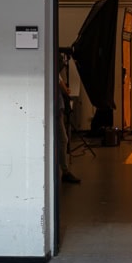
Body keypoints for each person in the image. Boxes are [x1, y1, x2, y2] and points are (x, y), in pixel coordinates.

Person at [57, 55, 81, 184]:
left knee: (61, 139)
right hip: (56, 109)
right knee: (63, 139)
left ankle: (62, 170)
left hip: (57, 108)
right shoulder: (54, 74)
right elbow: (62, 87)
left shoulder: (54, 73)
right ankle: (65, 171)